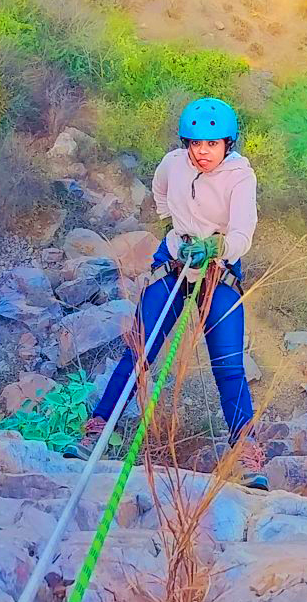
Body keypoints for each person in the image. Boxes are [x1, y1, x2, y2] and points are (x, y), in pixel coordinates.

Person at [65, 97, 268, 491]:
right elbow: (160, 193)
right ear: (185, 143)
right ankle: (98, 430)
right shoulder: (173, 163)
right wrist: (179, 228)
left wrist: (215, 246)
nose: (202, 151)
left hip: (218, 268)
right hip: (175, 258)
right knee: (139, 350)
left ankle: (245, 451)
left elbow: (243, 235)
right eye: (196, 143)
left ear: (227, 144)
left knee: (228, 365)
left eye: (212, 144)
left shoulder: (241, 176)